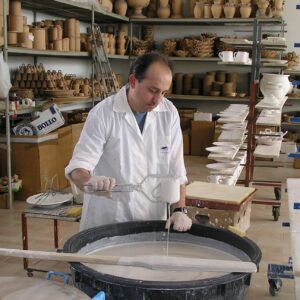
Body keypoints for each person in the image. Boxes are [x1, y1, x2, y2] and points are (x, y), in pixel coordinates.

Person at [65, 51, 192, 232]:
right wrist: (89, 181)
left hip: (152, 215)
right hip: (111, 218)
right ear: (133, 81)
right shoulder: (103, 114)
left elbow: (177, 171)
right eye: (153, 90)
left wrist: (180, 209)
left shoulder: (168, 113)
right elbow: (78, 167)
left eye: (163, 92)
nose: (158, 100)